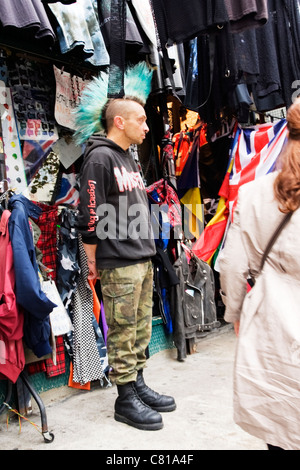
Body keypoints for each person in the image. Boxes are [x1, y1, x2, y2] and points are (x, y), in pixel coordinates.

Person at [76, 95, 176, 431]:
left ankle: (138, 384)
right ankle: (124, 398)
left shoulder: (127, 158)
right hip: (118, 262)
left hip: (141, 257)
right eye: (141, 121)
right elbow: (90, 215)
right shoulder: (100, 159)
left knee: (140, 330)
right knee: (122, 331)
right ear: (120, 122)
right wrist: (91, 261)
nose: (147, 127)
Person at [218, 97, 300, 450]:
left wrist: (235, 312)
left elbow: (234, 266)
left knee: (281, 419)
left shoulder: (253, 194)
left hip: (275, 316)